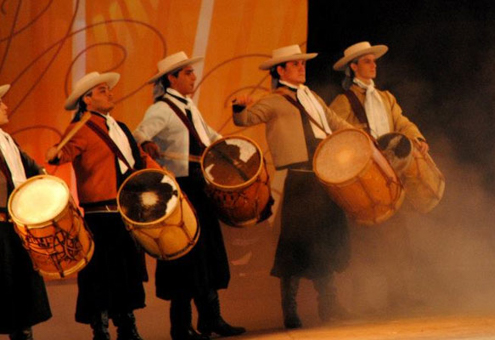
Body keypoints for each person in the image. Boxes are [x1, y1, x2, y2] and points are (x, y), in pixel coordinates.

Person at [231, 44, 353, 329]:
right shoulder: (273, 101)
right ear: (281, 70)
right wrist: (239, 105)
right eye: (295, 64)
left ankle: (329, 304)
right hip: (299, 177)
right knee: (295, 242)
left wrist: (360, 137)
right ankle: (290, 309)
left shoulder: (311, 96)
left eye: (302, 63)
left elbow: (335, 122)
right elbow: (245, 119)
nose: (301, 67)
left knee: (324, 238)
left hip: (324, 175)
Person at [133, 51, 245, 340]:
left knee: (205, 256)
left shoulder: (188, 106)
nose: (194, 77)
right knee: (183, 257)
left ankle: (211, 320)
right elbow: (139, 134)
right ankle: (180, 327)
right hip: (181, 190)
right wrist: (147, 142)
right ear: (171, 78)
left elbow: (208, 135)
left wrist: (229, 147)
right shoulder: (161, 109)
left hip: (199, 186)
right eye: (187, 72)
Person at [45, 71, 159, 340]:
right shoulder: (80, 130)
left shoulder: (120, 127)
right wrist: (56, 154)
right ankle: (102, 330)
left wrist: (162, 177)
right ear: (87, 100)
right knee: (100, 276)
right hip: (101, 214)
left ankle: (127, 328)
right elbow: (64, 152)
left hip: (126, 211)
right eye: (102, 90)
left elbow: (139, 158)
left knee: (126, 273)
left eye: (108, 89)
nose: (109, 93)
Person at [329, 41, 427, 312]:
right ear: (354, 66)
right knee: (369, 240)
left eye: (374, 60)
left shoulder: (385, 97)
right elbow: (336, 137)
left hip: (391, 173)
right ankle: (368, 298)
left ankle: (400, 293)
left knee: (399, 236)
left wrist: (416, 137)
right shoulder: (344, 101)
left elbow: (401, 122)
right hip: (366, 179)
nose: (374, 65)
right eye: (367, 61)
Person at [0, 84, 51, 340]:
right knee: (3, 288)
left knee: (21, 288)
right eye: (0, 103)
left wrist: (46, 180)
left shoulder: (8, 140)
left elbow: (31, 168)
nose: (5, 106)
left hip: (16, 225)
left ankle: (23, 334)